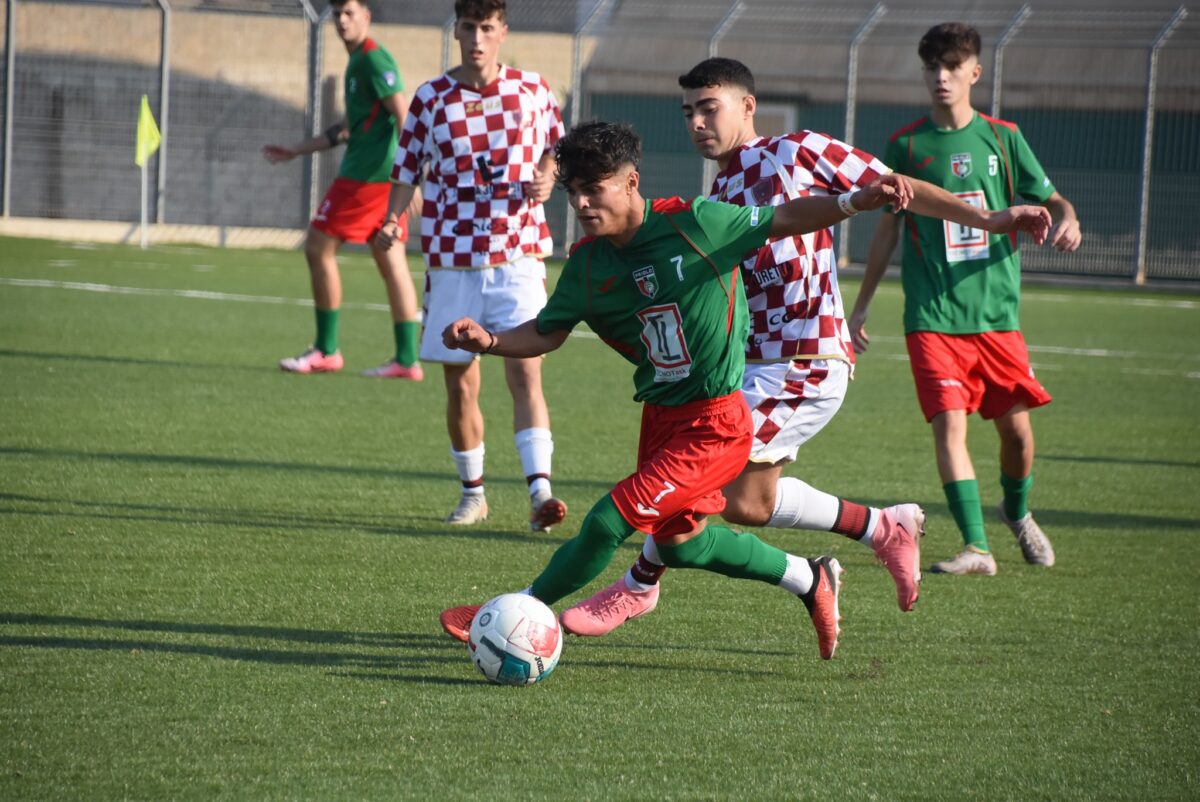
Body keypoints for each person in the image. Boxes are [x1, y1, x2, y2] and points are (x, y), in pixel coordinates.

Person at [559, 57, 1054, 636]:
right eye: (688, 111)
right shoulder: (720, 187)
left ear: (748, 106)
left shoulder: (794, 151)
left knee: (690, 480)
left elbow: (899, 188)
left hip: (804, 361)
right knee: (748, 502)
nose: (696, 122)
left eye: (708, 107)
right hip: (752, 367)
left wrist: (990, 218)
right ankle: (880, 527)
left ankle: (637, 587)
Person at [437, 120, 923, 660]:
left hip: (716, 423)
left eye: (593, 188)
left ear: (630, 182)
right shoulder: (588, 265)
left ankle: (512, 610)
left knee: (607, 520)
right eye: (573, 191)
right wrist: (491, 341)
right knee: (680, 543)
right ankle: (809, 580)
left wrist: (855, 200)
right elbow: (548, 331)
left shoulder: (699, 224)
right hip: (661, 420)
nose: (580, 202)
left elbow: (785, 217)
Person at [850, 22, 1082, 576]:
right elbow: (887, 230)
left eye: (952, 68)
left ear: (974, 73)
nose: (940, 78)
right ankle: (977, 548)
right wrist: (860, 305)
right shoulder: (906, 146)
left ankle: (1017, 513)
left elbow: (1053, 198)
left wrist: (1069, 220)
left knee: (1018, 437)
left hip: (996, 317)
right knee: (949, 427)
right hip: (931, 315)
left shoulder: (1004, 138)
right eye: (931, 67)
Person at [376, 0, 566, 531]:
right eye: (468, 27)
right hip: (453, 260)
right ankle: (473, 494)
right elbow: (407, 169)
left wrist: (548, 176)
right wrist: (394, 220)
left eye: (487, 27)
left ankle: (540, 496)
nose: (477, 38)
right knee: (460, 384)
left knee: (525, 372)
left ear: (502, 31)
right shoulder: (431, 99)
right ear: (456, 30)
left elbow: (557, 146)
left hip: (519, 254)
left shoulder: (532, 89)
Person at [264, 0, 423, 380]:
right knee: (392, 261)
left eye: (350, 13)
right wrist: (298, 150)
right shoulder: (358, 62)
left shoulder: (372, 59)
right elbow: (351, 127)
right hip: (376, 178)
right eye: (337, 14)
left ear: (366, 16)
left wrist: (412, 176)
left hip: (366, 179)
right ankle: (406, 359)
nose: (342, 20)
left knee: (318, 247)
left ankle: (326, 350)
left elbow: (404, 115)